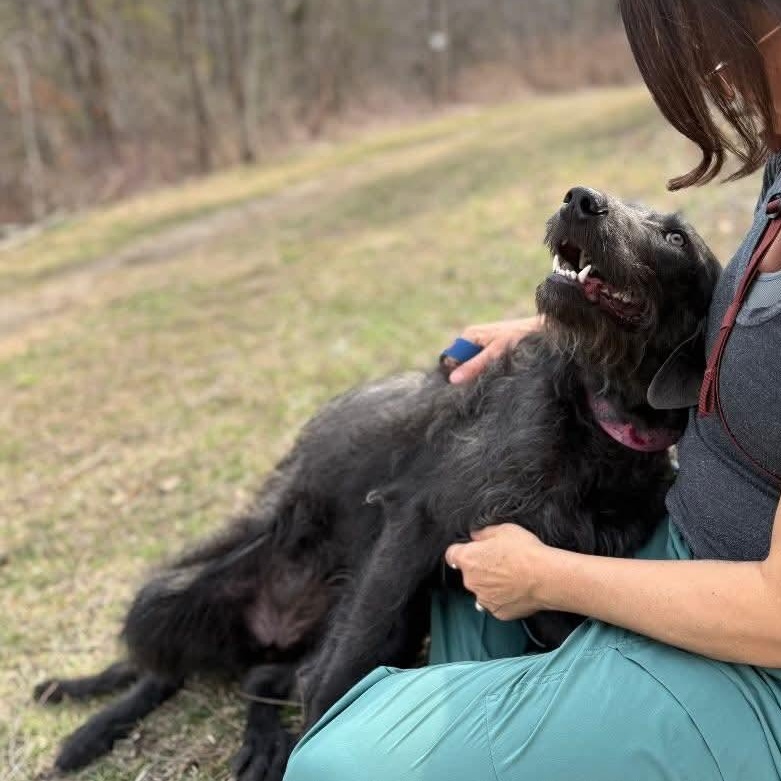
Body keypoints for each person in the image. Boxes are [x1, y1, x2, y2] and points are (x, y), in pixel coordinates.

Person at [284, 2, 781, 778]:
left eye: (719, 49)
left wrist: (552, 577)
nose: (715, 80)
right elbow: (727, 325)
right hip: (685, 547)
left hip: (754, 663)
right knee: (462, 572)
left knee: (330, 763)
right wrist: (558, 320)